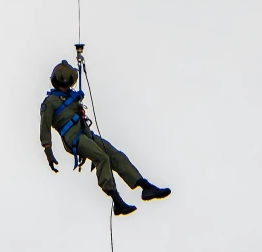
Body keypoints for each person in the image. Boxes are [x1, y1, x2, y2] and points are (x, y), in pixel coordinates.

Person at [40, 59, 168, 214]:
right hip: (73, 138)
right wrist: (48, 151)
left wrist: (76, 101)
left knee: (115, 155)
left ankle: (145, 186)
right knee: (102, 158)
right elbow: (45, 127)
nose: (67, 87)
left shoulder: (72, 97)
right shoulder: (50, 102)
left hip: (86, 134)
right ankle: (117, 200)